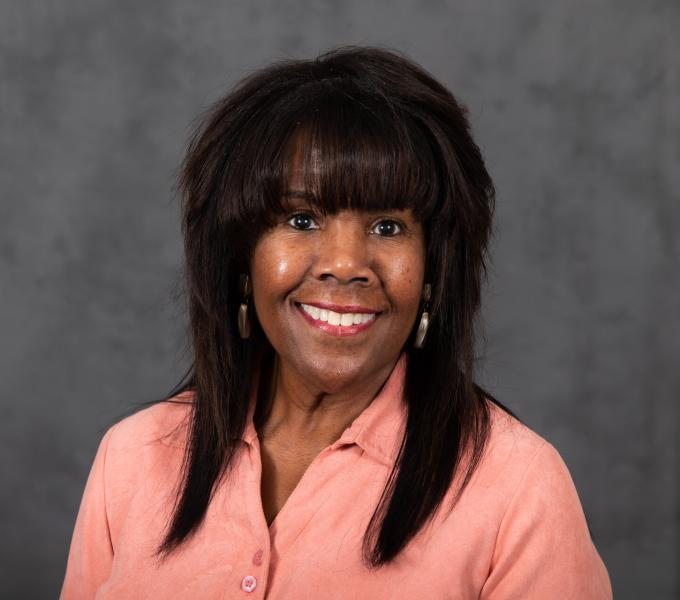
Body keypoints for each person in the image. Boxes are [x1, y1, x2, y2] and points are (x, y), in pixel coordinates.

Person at [61, 46, 612, 599]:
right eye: (302, 219)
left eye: (389, 227)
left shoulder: (518, 489)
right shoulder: (131, 458)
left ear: (433, 271)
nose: (347, 266)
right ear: (242, 260)